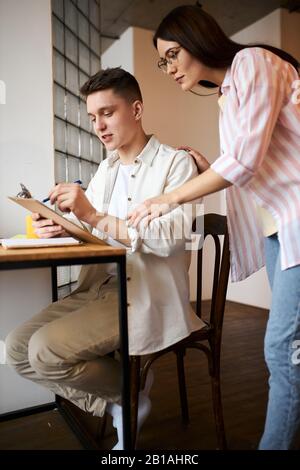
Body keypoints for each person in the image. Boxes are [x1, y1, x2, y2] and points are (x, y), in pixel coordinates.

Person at [128, 5, 300, 450]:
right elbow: (250, 165)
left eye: (171, 55)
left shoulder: (255, 62)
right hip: (280, 231)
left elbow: (244, 162)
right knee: (290, 351)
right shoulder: (229, 91)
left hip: (296, 223)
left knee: (282, 352)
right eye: (161, 61)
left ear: (198, 38)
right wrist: (212, 168)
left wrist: (166, 197)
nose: (168, 68)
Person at [5, 67, 205, 450]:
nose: (98, 125)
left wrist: (93, 215)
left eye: (107, 113)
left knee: (45, 351)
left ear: (137, 109)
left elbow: (169, 240)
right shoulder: (106, 169)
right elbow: (96, 236)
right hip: (101, 286)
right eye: (93, 116)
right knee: (17, 348)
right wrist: (61, 227)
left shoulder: (176, 165)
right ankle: (125, 398)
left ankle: (125, 396)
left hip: (148, 294)